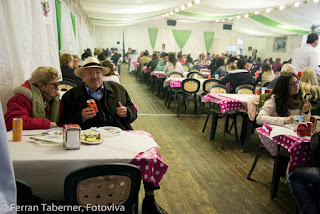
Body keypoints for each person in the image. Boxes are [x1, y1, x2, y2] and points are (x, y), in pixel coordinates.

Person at [61, 57, 167, 214]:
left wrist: (126, 112)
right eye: (90, 73)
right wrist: (81, 116)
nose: (95, 76)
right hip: (87, 139)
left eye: (98, 72)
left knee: (148, 156)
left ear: (102, 75)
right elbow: (63, 121)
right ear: (83, 76)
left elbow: (133, 111)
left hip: (120, 134)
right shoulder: (71, 96)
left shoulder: (117, 89)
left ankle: (149, 199)